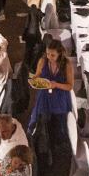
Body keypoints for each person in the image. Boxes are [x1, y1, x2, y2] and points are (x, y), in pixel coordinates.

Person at [28, 38, 73, 168]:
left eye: (52, 55)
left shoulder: (67, 64)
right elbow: (37, 75)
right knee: (40, 120)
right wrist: (33, 80)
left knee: (59, 125)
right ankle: (41, 148)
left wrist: (56, 84)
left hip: (60, 96)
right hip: (44, 96)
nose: (49, 57)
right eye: (48, 53)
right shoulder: (43, 61)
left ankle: (58, 150)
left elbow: (69, 86)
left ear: (59, 54)